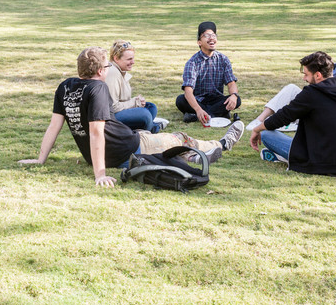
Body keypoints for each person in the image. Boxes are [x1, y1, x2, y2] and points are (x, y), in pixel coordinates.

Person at [19, 47, 245, 187]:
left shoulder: (65, 87)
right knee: (179, 137)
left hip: (112, 150)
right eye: (107, 65)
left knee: (152, 137)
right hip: (126, 148)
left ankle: (193, 156)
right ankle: (221, 144)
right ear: (100, 71)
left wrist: (41, 160)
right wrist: (100, 175)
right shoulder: (98, 89)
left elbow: (54, 127)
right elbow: (97, 132)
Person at [249, 51, 336, 175]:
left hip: (322, 162)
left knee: (267, 134)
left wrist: (257, 129)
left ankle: (288, 157)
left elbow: (283, 116)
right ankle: (284, 157)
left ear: (318, 75)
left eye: (306, 75)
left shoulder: (312, 93)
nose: (304, 78)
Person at [246, 36, 336, 131]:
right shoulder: (331, 67)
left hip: (333, 111)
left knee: (269, 134)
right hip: (316, 104)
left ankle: (287, 120)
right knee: (291, 89)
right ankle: (260, 119)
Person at [175, 21, 240, 124]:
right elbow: (188, 91)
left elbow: (231, 83)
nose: (211, 38)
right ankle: (218, 114)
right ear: (199, 42)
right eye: (206, 36)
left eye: (213, 35)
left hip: (217, 99)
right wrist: (198, 109)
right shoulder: (192, 62)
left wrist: (234, 95)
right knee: (181, 100)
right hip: (199, 100)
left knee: (237, 99)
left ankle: (195, 116)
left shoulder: (223, 59)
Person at [104, 40, 168, 133]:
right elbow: (113, 107)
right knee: (144, 114)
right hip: (110, 119)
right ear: (116, 58)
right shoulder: (113, 73)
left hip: (118, 113)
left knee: (151, 107)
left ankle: (148, 125)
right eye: (129, 59)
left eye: (133, 58)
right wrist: (134, 102)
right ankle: (153, 127)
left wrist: (136, 102)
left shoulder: (120, 71)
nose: (133, 62)